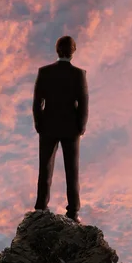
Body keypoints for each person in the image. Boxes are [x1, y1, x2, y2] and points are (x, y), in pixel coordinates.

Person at [32, 35, 89, 223]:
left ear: (57, 50)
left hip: (48, 126)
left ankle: (41, 207)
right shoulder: (79, 74)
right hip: (71, 128)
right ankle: (73, 212)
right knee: (72, 171)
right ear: (73, 51)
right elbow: (83, 103)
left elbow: (37, 102)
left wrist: (39, 124)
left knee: (45, 168)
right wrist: (80, 127)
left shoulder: (44, 72)